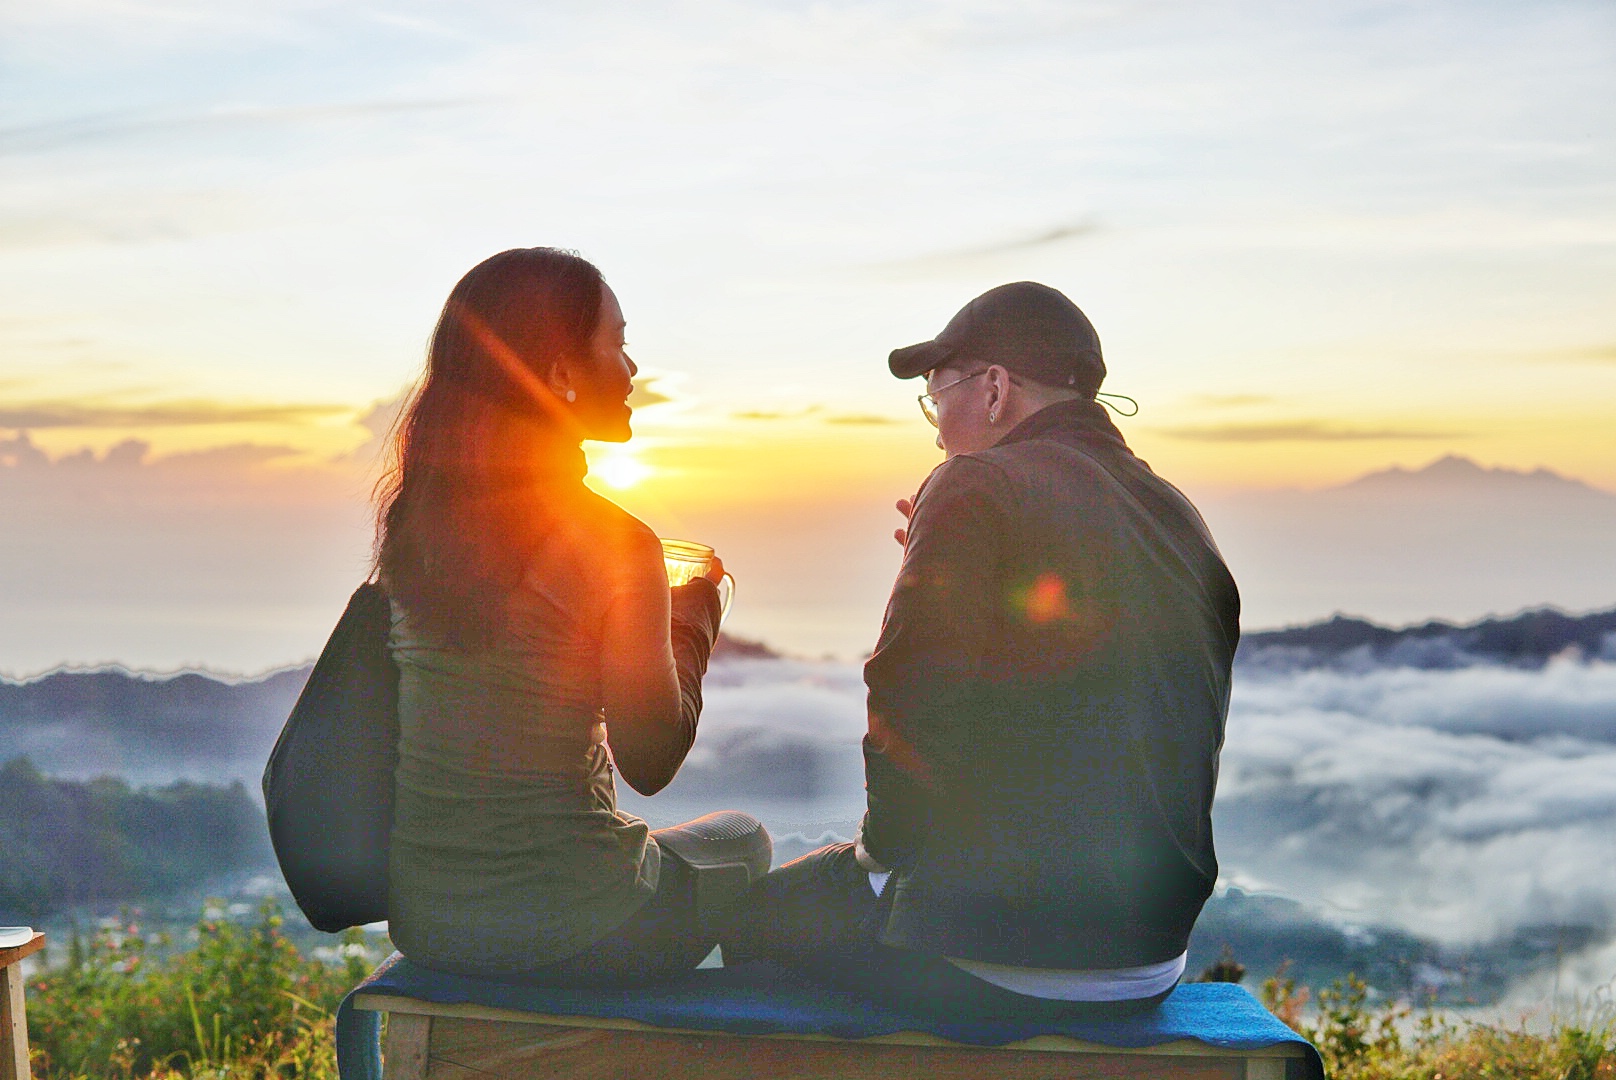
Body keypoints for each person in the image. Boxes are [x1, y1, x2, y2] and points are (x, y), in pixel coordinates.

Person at [722, 281, 1239, 1018]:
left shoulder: (972, 483)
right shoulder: (1178, 513)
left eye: (938, 394)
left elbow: (910, 688)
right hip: (1150, 959)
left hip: (999, 950)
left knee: (751, 917)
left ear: (995, 390)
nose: (934, 426)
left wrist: (879, 853)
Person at [375, 247, 770, 986]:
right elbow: (650, 764)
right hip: (581, 931)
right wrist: (694, 620)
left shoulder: (416, 526)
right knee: (745, 840)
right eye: (616, 345)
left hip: (431, 924)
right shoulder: (615, 543)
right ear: (559, 374)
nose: (632, 369)